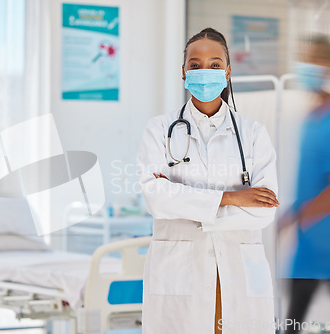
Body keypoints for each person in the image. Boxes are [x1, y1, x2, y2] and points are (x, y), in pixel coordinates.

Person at [137, 27, 279, 334]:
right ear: (184, 72)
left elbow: (265, 210)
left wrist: (187, 204)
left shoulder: (254, 134)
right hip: (178, 275)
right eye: (195, 65)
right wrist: (233, 198)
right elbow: (155, 198)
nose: (205, 72)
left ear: (227, 72)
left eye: (215, 65)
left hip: (239, 270)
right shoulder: (159, 129)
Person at [279, 35, 330, 334]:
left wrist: (303, 215)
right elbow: (309, 180)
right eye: (305, 59)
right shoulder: (309, 118)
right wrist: (289, 216)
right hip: (308, 244)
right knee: (294, 317)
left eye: (316, 59)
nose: (309, 66)